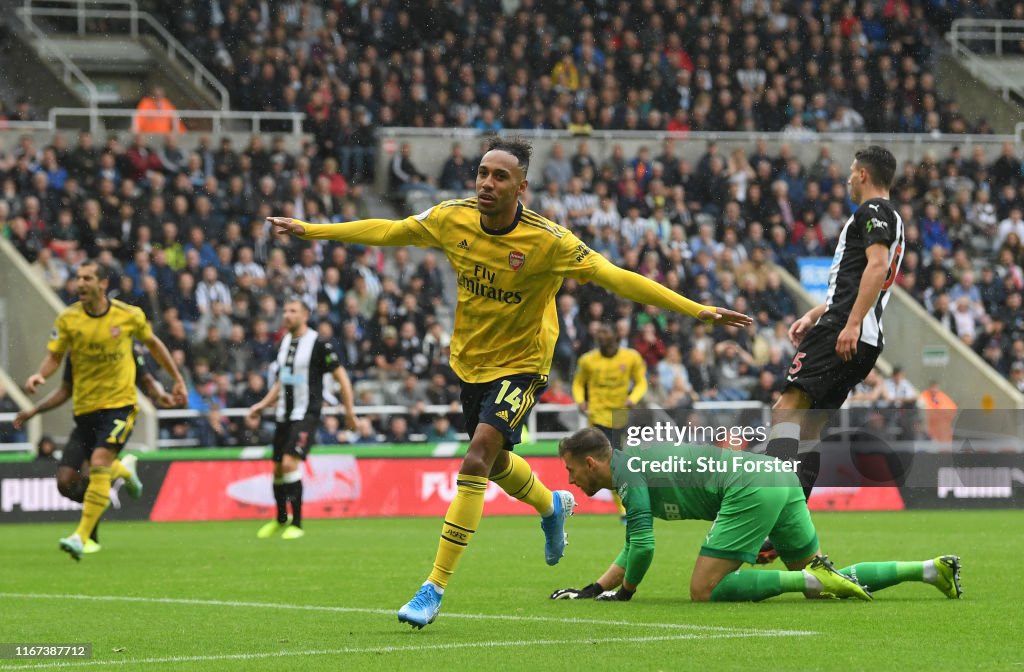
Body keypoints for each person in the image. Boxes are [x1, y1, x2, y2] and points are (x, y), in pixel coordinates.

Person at [267, 135, 752, 629]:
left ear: (521, 186)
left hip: (522, 364)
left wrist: (696, 310)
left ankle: (433, 587)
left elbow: (617, 276)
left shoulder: (550, 241)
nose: (487, 183)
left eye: (500, 176)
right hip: (470, 361)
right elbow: (390, 231)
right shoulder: (451, 218)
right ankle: (552, 504)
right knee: (496, 461)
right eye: (482, 173)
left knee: (477, 456)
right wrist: (314, 230)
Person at [551, 427, 961, 603]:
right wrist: (594, 587)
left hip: (748, 487)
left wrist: (623, 594)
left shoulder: (629, 474)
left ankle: (810, 574)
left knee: (704, 590)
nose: (570, 480)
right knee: (822, 584)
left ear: (591, 463)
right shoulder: (632, 466)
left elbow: (642, 545)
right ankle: (928, 570)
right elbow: (632, 547)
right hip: (776, 477)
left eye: (570, 470)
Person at [764, 146, 905, 507]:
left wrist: (850, 323)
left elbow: (876, 269)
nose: (846, 179)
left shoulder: (874, 210)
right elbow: (860, 279)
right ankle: (791, 522)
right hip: (862, 336)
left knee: (786, 409)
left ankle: (766, 512)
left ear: (863, 175)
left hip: (846, 329)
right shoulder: (894, 218)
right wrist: (814, 314)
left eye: (850, 171)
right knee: (810, 427)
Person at [25, 260, 187, 560]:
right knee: (66, 482)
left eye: (87, 277)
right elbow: (54, 357)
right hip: (85, 410)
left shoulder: (128, 316)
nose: (80, 283)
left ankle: (81, 536)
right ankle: (124, 469)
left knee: (99, 463)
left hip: (120, 406)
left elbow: (152, 348)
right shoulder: (69, 320)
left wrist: (175, 381)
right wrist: (39, 375)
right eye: (78, 277)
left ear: (102, 283)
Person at [15, 344, 179, 554]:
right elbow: (66, 389)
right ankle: (119, 473)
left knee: (92, 476)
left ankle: (84, 537)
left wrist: (160, 394)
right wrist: (34, 410)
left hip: (115, 418)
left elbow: (146, 377)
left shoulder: (123, 345)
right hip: (85, 422)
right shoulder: (77, 351)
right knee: (65, 483)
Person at [247, 298, 358, 540]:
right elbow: (281, 382)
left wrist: (349, 412)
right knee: (277, 468)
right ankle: (280, 519)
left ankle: (296, 523)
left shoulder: (318, 344)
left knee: (289, 463)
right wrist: (262, 405)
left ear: (305, 315)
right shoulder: (285, 342)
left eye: (292, 311)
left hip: (306, 413)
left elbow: (343, 379)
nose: (286, 314)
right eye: (285, 310)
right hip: (283, 414)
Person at [572, 323, 647, 515]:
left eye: (605, 331)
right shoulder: (588, 360)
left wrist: (633, 398)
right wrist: (580, 401)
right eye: (599, 333)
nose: (601, 335)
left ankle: (626, 503)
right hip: (597, 416)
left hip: (620, 415)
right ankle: (622, 508)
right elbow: (578, 384)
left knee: (617, 463)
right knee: (608, 462)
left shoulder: (631, 357)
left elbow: (641, 382)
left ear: (616, 336)